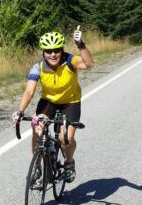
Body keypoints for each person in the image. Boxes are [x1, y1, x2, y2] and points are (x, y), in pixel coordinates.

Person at [12, 26, 93, 182]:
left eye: (56, 50)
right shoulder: (38, 67)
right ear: (43, 52)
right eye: (48, 51)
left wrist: (80, 44)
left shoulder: (71, 61)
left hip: (70, 102)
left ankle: (69, 163)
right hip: (49, 102)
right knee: (37, 129)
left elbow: (89, 64)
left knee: (65, 139)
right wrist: (20, 111)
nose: (53, 54)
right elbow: (29, 91)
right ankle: (37, 167)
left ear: (61, 50)